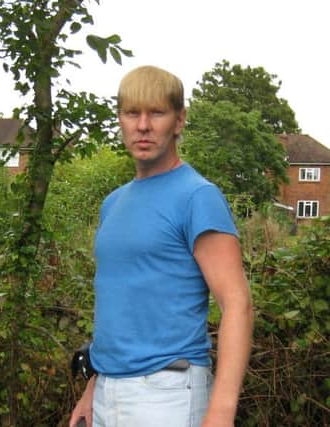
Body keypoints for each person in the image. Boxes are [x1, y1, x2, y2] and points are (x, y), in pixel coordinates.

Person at [69, 65, 253, 427]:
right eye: (132, 113)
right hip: (108, 392)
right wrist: (93, 388)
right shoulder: (113, 203)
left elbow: (238, 304)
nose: (143, 125)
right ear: (120, 119)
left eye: (156, 113)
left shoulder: (197, 197)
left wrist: (221, 411)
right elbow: (122, 307)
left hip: (166, 394)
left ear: (179, 121)